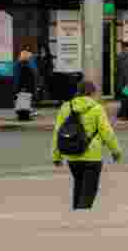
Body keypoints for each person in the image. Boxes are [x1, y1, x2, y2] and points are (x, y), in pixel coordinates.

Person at [51, 80, 123, 210]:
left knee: (78, 186)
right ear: (92, 93)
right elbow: (106, 131)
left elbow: (58, 132)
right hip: (92, 156)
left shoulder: (66, 107)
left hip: (72, 155)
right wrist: (115, 151)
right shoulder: (96, 108)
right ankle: (81, 219)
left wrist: (56, 156)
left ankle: (76, 215)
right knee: (89, 192)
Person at [14, 49, 37, 121]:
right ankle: (25, 117)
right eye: (30, 57)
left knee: (22, 103)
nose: (31, 59)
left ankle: (22, 116)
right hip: (25, 88)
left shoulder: (19, 65)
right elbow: (26, 78)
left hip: (22, 88)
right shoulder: (25, 66)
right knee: (25, 103)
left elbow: (18, 78)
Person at [116, 38, 128, 121]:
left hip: (127, 80)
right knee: (127, 99)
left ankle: (123, 114)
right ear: (125, 47)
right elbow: (124, 70)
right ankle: (124, 116)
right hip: (125, 81)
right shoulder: (123, 56)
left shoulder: (126, 55)